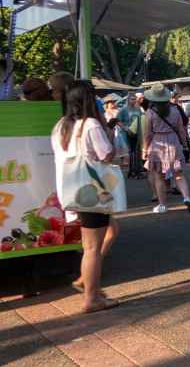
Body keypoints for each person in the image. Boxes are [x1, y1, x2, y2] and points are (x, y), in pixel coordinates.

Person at [51, 81, 120, 313]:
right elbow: (106, 154)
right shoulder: (90, 124)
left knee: (96, 240)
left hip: (72, 190)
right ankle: (91, 298)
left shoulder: (62, 125)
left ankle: (89, 285)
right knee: (92, 247)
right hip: (92, 192)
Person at [141, 83, 190, 214]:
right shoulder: (175, 110)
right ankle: (187, 198)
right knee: (179, 174)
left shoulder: (150, 112)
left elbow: (147, 133)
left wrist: (144, 149)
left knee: (159, 177)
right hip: (173, 141)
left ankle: (162, 205)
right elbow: (181, 130)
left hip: (158, 143)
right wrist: (184, 144)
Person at [117, 92, 145, 178]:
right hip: (127, 133)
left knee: (137, 152)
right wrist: (125, 128)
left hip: (137, 133)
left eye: (135, 99)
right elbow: (117, 120)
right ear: (128, 100)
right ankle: (130, 171)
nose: (134, 101)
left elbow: (141, 119)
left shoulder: (138, 109)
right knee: (130, 152)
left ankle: (137, 170)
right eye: (132, 99)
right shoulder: (123, 109)